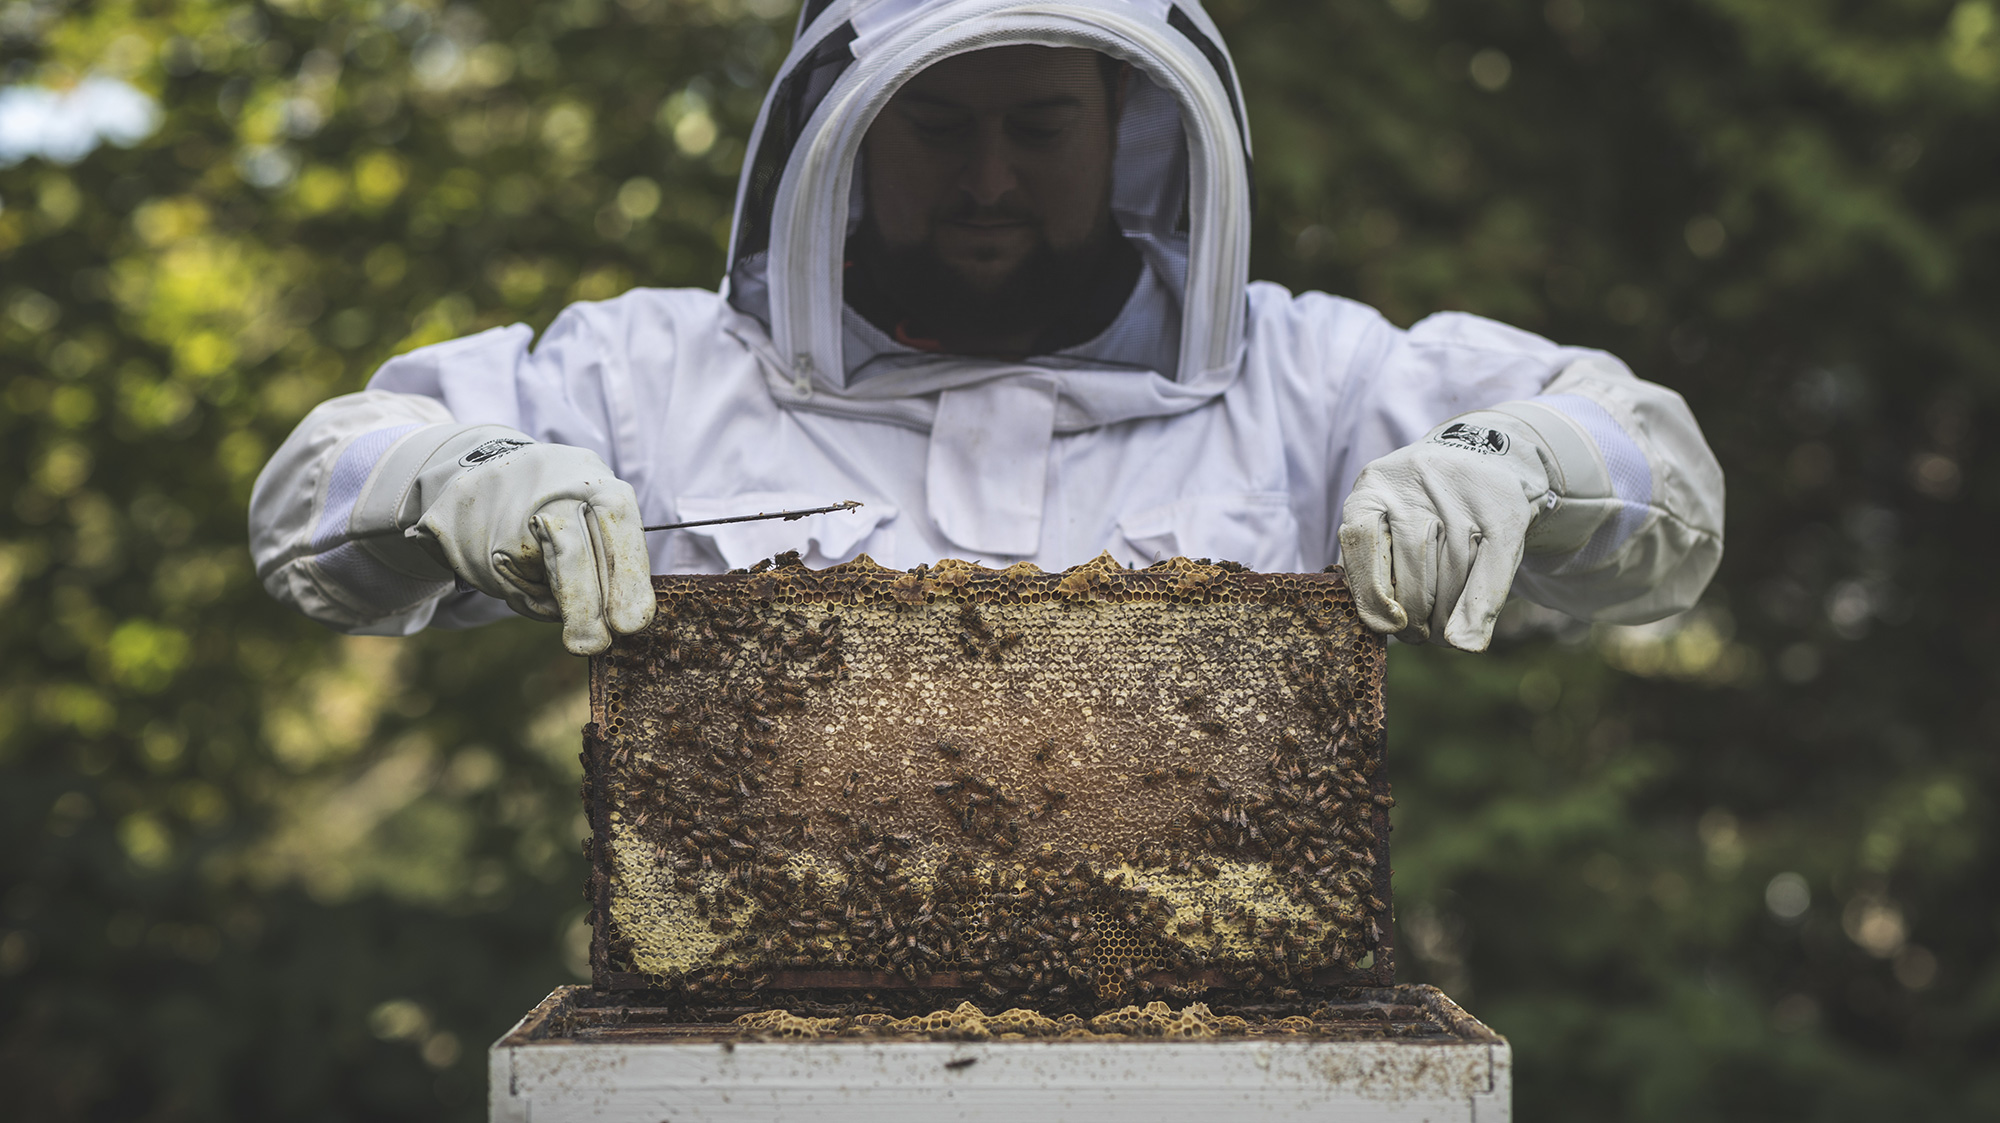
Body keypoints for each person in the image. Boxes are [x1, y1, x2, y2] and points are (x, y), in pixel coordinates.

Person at [249, 0, 1723, 657]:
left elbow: (1663, 483)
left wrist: (1524, 459)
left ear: (1130, 130)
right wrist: (463, 482)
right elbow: (324, 486)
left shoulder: (1313, 376)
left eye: (1041, 126)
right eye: (938, 128)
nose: (991, 180)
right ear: (847, 134)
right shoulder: (655, 374)